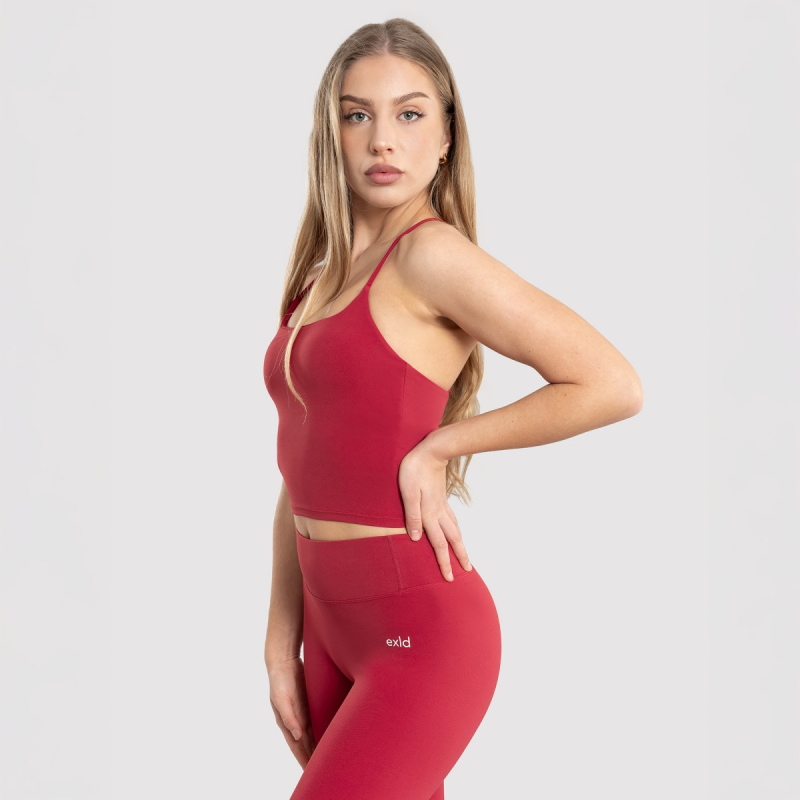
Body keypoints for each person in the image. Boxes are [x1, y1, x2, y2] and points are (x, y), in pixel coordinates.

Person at [263, 18, 643, 800]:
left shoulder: (430, 256)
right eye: (358, 114)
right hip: (329, 628)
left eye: (409, 114)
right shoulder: (320, 276)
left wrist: (440, 447)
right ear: (332, 133)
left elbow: (610, 383)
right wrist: (281, 633)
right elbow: (299, 463)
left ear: (445, 138)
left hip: (419, 630)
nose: (382, 139)